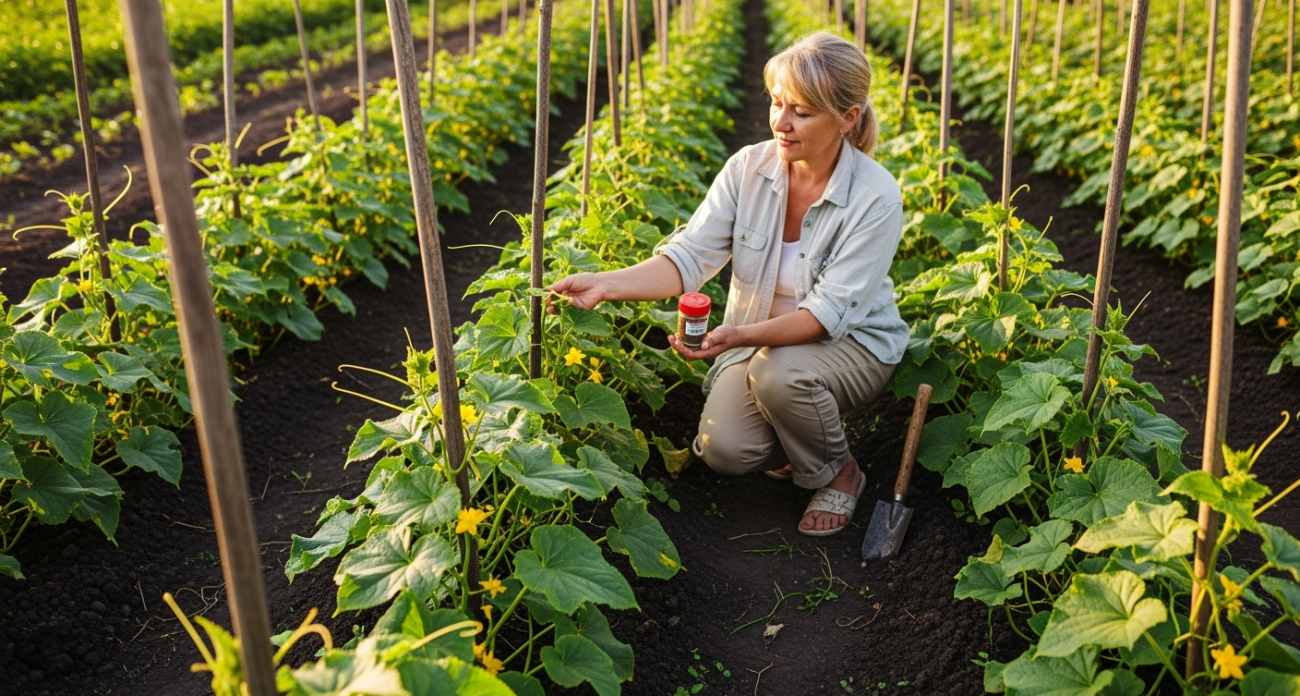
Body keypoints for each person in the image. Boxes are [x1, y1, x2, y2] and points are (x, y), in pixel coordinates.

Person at [547, 32, 907, 536]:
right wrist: (605, 285)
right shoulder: (748, 169)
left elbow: (826, 315)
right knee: (726, 451)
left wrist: (736, 336)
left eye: (801, 112)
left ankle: (840, 471)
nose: (781, 123)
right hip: (762, 350)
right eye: (777, 104)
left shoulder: (876, 197)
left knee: (781, 375)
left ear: (847, 118)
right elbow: (689, 257)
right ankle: (795, 430)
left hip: (852, 346)